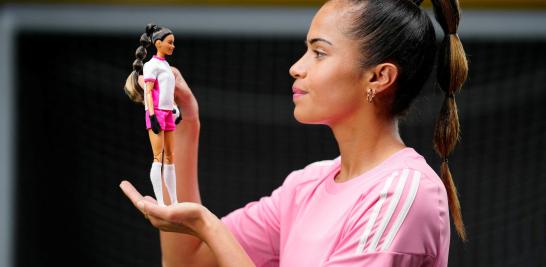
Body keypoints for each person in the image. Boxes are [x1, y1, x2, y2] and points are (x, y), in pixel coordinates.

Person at [120, 0, 468, 266]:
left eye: (319, 53)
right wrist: (182, 124)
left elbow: (205, 239)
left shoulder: (401, 193)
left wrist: (207, 225)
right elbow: (189, 261)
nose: (295, 68)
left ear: (379, 77)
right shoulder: (306, 186)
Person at [124, 24, 183, 206]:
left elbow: (168, 92)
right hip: (156, 112)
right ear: (158, 43)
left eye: (173, 43)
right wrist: (151, 115)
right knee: (158, 156)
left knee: (170, 156)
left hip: (167, 113)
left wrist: (175, 108)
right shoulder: (151, 66)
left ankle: (173, 200)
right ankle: (161, 201)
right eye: (170, 43)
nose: (173, 46)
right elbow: (149, 92)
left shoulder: (166, 66)